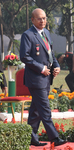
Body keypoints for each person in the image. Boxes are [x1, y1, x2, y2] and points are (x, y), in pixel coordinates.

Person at [20, 8, 66, 146]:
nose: (43, 21)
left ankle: (31, 137)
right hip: (36, 79)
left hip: (46, 79)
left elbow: (50, 53)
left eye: (44, 18)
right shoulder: (28, 35)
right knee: (45, 109)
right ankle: (54, 138)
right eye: (39, 18)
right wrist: (41, 68)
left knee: (35, 110)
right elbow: (24, 56)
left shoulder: (46, 33)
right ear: (32, 20)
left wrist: (56, 66)